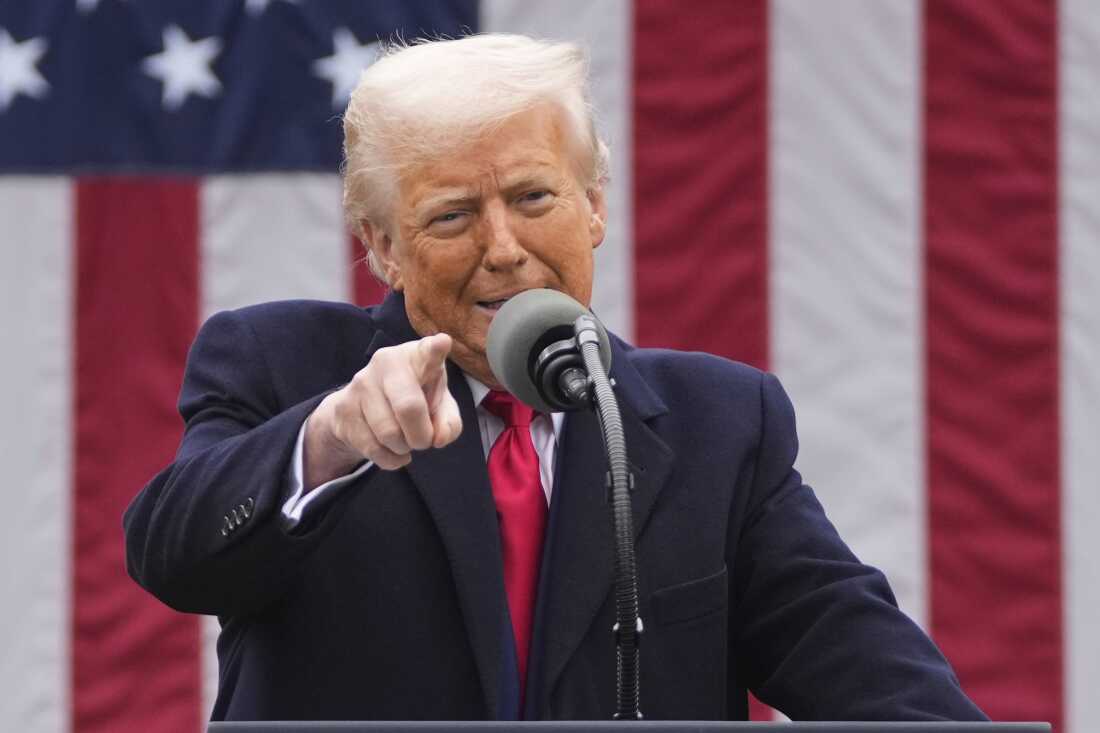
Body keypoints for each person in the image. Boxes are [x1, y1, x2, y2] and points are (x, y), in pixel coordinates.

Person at [124, 34, 987, 723]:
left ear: (596, 205)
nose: (503, 247)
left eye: (535, 198)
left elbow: (863, 666)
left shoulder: (721, 424)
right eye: (452, 215)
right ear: (384, 247)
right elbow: (175, 554)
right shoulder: (282, 366)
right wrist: (334, 437)